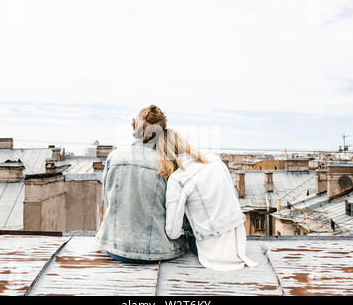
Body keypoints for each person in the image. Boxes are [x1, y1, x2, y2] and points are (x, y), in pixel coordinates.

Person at [95, 105, 187, 263]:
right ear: (161, 133)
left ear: (135, 127)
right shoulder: (167, 165)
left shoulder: (114, 157)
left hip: (114, 247)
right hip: (155, 251)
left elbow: (108, 200)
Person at [158, 128, 258, 271]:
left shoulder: (178, 179)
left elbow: (172, 232)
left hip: (214, 250)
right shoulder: (214, 160)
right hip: (238, 241)